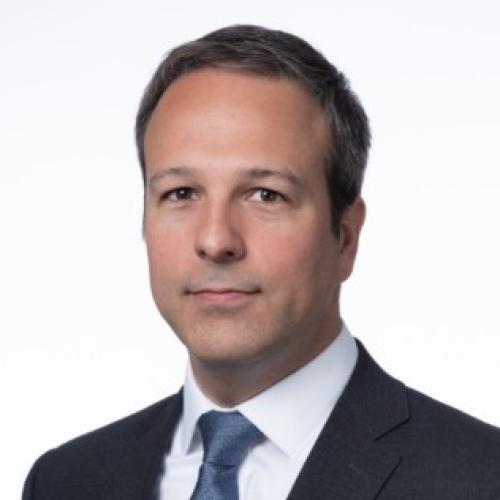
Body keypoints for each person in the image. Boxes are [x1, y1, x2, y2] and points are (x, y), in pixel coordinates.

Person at [22, 24, 500, 500]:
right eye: (181, 193)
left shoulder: (481, 479)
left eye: (266, 195)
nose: (215, 240)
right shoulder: (65, 482)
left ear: (346, 237)